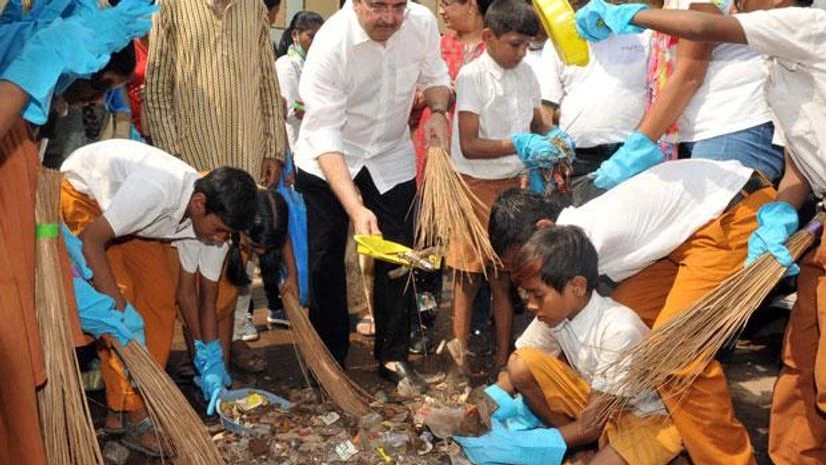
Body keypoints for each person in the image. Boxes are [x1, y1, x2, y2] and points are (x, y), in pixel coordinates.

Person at [574, 2, 824, 464]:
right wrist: (780, 212)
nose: (738, 4)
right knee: (799, 367)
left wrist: (633, 14)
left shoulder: (809, 26)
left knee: (681, 353)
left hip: (727, 173)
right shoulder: (775, 70)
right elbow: (798, 164)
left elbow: (702, 29)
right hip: (782, 206)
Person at [489, 158, 774, 465]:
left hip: (733, 211)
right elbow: (549, 327)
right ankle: (628, 431)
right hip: (685, 232)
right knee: (627, 322)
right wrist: (496, 394)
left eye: (522, 261)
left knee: (675, 357)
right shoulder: (573, 239)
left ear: (544, 230)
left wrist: (526, 432)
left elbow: (554, 318)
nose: (523, 271)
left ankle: (720, 456)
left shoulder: (577, 244)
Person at [0, 2, 154, 463]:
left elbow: (24, 206)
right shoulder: (23, 90)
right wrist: (42, 59)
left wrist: (56, 252)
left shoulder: (24, 124)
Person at [293, 0, 452, 392]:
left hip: (389, 152)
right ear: (354, 3)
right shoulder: (331, 43)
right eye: (378, 6)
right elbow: (325, 133)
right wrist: (355, 207)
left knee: (397, 254)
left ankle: (393, 354)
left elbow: (435, 74)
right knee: (325, 259)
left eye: (398, 7)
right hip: (328, 157)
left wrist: (437, 111)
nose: (389, 18)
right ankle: (329, 357)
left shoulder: (421, 23)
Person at [60, 139, 257, 454]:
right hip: (86, 198)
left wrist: (210, 357)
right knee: (120, 302)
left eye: (227, 234)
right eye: (219, 229)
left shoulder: (209, 228)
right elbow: (92, 242)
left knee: (160, 301)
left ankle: (129, 403)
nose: (221, 239)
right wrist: (118, 309)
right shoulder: (157, 190)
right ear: (199, 204)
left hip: (135, 220)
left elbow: (197, 298)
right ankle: (135, 415)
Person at [447, 0, 569, 375]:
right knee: (467, 277)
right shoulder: (473, 77)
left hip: (513, 187)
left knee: (504, 277)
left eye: (526, 45)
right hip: (472, 184)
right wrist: (517, 143)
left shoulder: (527, 74)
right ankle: (458, 362)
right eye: (514, 44)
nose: (520, 52)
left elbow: (537, 124)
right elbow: (469, 144)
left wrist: (557, 139)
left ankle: (503, 360)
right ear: (489, 37)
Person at [508, 226, 682, 465]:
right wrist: (478, 410)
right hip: (598, 405)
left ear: (577, 286)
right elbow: (515, 372)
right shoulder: (557, 313)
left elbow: (591, 424)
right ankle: (583, 445)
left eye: (538, 295)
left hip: (645, 419)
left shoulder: (619, 330)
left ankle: (589, 446)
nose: (531, 305)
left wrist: (518, 445)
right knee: (519, 364)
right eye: (526, 295)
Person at [144, 0, 287, 187]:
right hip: (192, 159)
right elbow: (157, 89)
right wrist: (172, 157)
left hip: (248, 159)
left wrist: (273, 152)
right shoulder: (170, 5)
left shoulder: (254, 7)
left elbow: (268, 84)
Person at [539, 29, 649, 178]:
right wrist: (552, 148)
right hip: (579, 156)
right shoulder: (557, 41)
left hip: (632, 152)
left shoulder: (644, 35)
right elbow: (546, 105)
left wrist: (640, 146)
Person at [275, 10, 324, 153]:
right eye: (311, 36)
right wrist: (318, 106)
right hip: (295, 145)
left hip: (315, 146)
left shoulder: (316, 65)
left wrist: (310, 106)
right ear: (295, 35)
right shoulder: (286, 65)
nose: (316, 42)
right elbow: (292, 110)